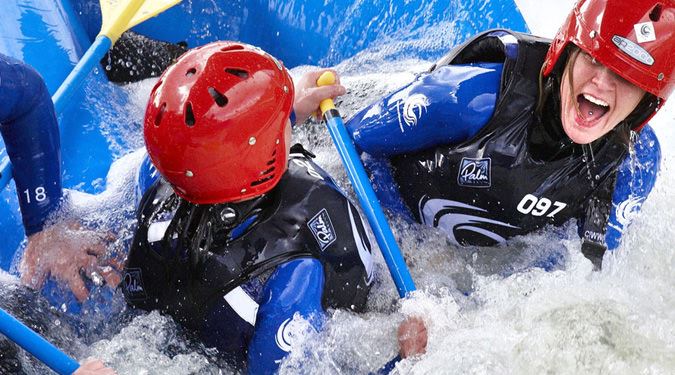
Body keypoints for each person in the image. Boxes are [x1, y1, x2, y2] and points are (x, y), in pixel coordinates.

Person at [345, 0, 673, 358]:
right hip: (391, 233)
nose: (601, 83)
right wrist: (404, 277)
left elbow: (577, 269)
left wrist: (462, 316)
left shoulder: (630, 166)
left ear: (647, 104)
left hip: (456, 274)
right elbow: (351, 147)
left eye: (627, 76)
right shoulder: (469, 98)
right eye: (594, 59)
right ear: (566, 52)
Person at [121, 41, 374, 373]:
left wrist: (289, 108)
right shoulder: (294, 277)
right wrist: (403, 358)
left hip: (146, 334)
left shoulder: (158, 176)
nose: (286, 118)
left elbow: (215, 156)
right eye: (280, 119)